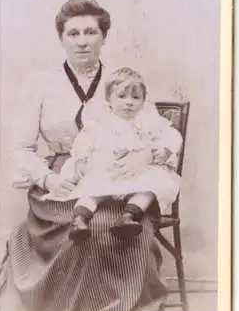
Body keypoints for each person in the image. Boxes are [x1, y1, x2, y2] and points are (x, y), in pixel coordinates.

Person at [0, 0, 170, 311]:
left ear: (103, 37)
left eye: (91, 33)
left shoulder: (124, 82)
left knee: (119, 228)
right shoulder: (40, 84)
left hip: (120, 176)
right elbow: (20, 147)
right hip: (62, 178)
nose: (82, 41)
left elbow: (154, 128)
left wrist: (146, 156)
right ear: (62, 38)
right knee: (82, 231)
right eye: (73, 33)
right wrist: (48, 178)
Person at [43, 67, 182, 243]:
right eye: (122, 97)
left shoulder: (149, 121)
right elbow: (83, 141)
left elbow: (172, 135)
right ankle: (80, 220)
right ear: (109, 99)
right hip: (109, 170)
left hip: (137, 173)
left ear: (143, 100)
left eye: (136, 97)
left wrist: (165, 150)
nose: (129, 102)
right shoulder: (101, 122)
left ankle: (129, 217)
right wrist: (81, 159)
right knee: (93, 189)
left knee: (149, 189)